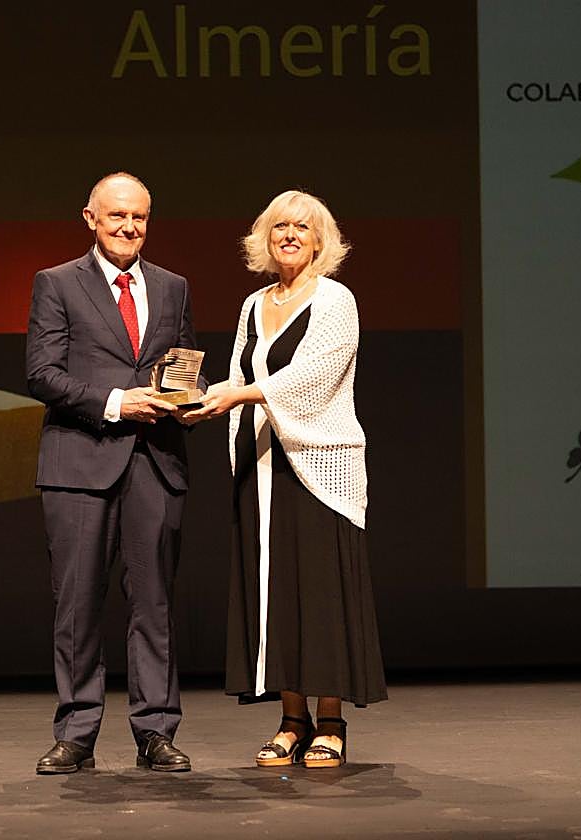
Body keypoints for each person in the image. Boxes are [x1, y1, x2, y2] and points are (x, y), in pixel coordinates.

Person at [185, 189, 386, 768]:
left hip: (320, 464)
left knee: (319, 592)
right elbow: (237, 371)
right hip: (263, 464)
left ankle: (331, 721)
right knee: (275, 591)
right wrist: (203, 400)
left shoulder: (335, 300)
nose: (290, 235)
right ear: (264, 239)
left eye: (302, 227)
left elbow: (312, 375)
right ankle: (291, 719)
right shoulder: (255, 303)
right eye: (279, 227)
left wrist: (235, 395)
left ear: (320, 240)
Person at [26, 172, 199, 774]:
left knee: (154, 604)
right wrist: (115, 402)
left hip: (156, 461)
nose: (130, 227)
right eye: (118, 216)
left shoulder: (173, 287)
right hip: (80, 459)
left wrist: (189, 395)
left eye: (141, 217)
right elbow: (42, 373)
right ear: (90, 218)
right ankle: (76, 732)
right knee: (77, 604)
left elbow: (182, 364)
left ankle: (156, 730)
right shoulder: (56, 283)